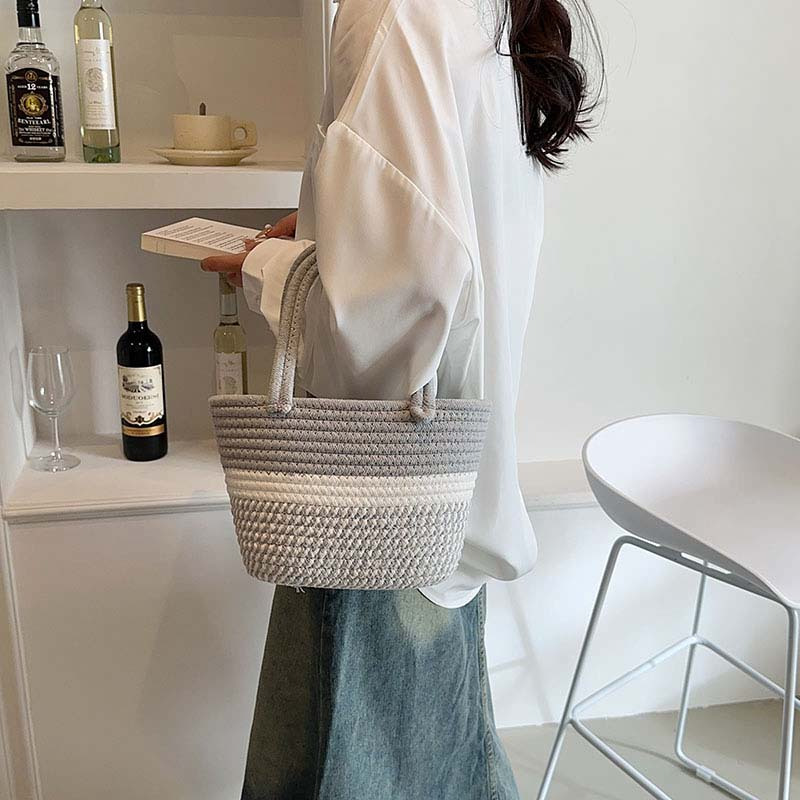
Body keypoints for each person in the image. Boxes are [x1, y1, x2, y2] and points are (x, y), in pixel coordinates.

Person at [201, 0, 600, 796]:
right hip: (451, 492)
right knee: (442, 768)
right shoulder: (487, 14)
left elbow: (373, 335)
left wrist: (263, 267)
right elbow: (453, 248)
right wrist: (329, 225)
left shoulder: (393, 17)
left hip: (372, 522)